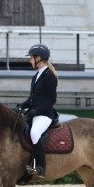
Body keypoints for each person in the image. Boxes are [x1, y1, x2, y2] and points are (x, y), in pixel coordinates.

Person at [17, 44, 59, 176]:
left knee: (34, 133)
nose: (30, 61)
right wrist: (23, 105)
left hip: (45, 115)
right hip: (34, 113)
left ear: (39, 58)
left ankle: (41, 167)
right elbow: (33, 98)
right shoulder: (36, 76)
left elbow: (51, 100)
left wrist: (36, 111)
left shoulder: (49, 76)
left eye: (31, 58)